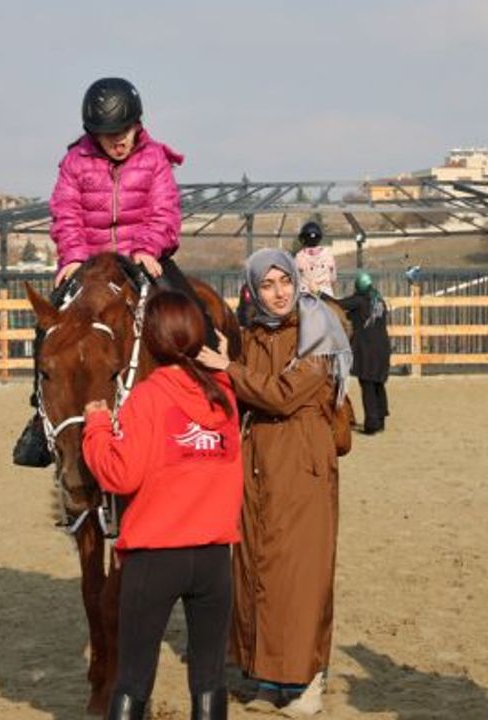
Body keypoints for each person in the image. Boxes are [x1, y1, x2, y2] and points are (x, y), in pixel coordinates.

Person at [13, 76, 212, 467]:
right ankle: (40, 415)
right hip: (90, 265)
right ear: (93, 133)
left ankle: (213, 391)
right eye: (108, 134)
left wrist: (148, 248)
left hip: (143, 256)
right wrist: (73, 256)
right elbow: (66, 212)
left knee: (189, 306)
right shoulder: (75, 161)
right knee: (47, 325)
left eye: (122, 131)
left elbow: (165, 210)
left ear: (137, 124)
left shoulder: (155, 158)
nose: (117, 140)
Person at [197, 248, 351, 716]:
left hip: (303, 462)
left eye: (285, 281)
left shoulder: (319, 330)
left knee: (301, 574)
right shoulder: (249, 335)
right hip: (257, 461)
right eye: (267, 285)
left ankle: (307, 681)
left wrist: (230, 370)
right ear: (254, 290)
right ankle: (267, 678)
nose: (279, 293)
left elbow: (285, 395)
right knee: (256, 568)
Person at [82, 292, 243, 720]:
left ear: (150, 342)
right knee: (209, 679)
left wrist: (97, 427)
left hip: (156, 558)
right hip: (213, 559)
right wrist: (224, 363)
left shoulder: (149, 398)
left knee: (133, 679)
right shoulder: (224, 397)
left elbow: (121, 475)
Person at [337, 272, 390, 434]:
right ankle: (380, 419)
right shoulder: (379, 300)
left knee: (367, 384)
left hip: (368, 348)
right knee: (378, 383)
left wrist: (319, 294)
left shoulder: (360, 301)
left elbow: (339, 304)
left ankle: (372, 423)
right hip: (383, 347)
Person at [294, 221, 337, 298]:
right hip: (325, 293)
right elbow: (333, 278)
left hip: (305, 294)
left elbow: (295, 279)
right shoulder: (328, 254)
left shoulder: (299, 256)